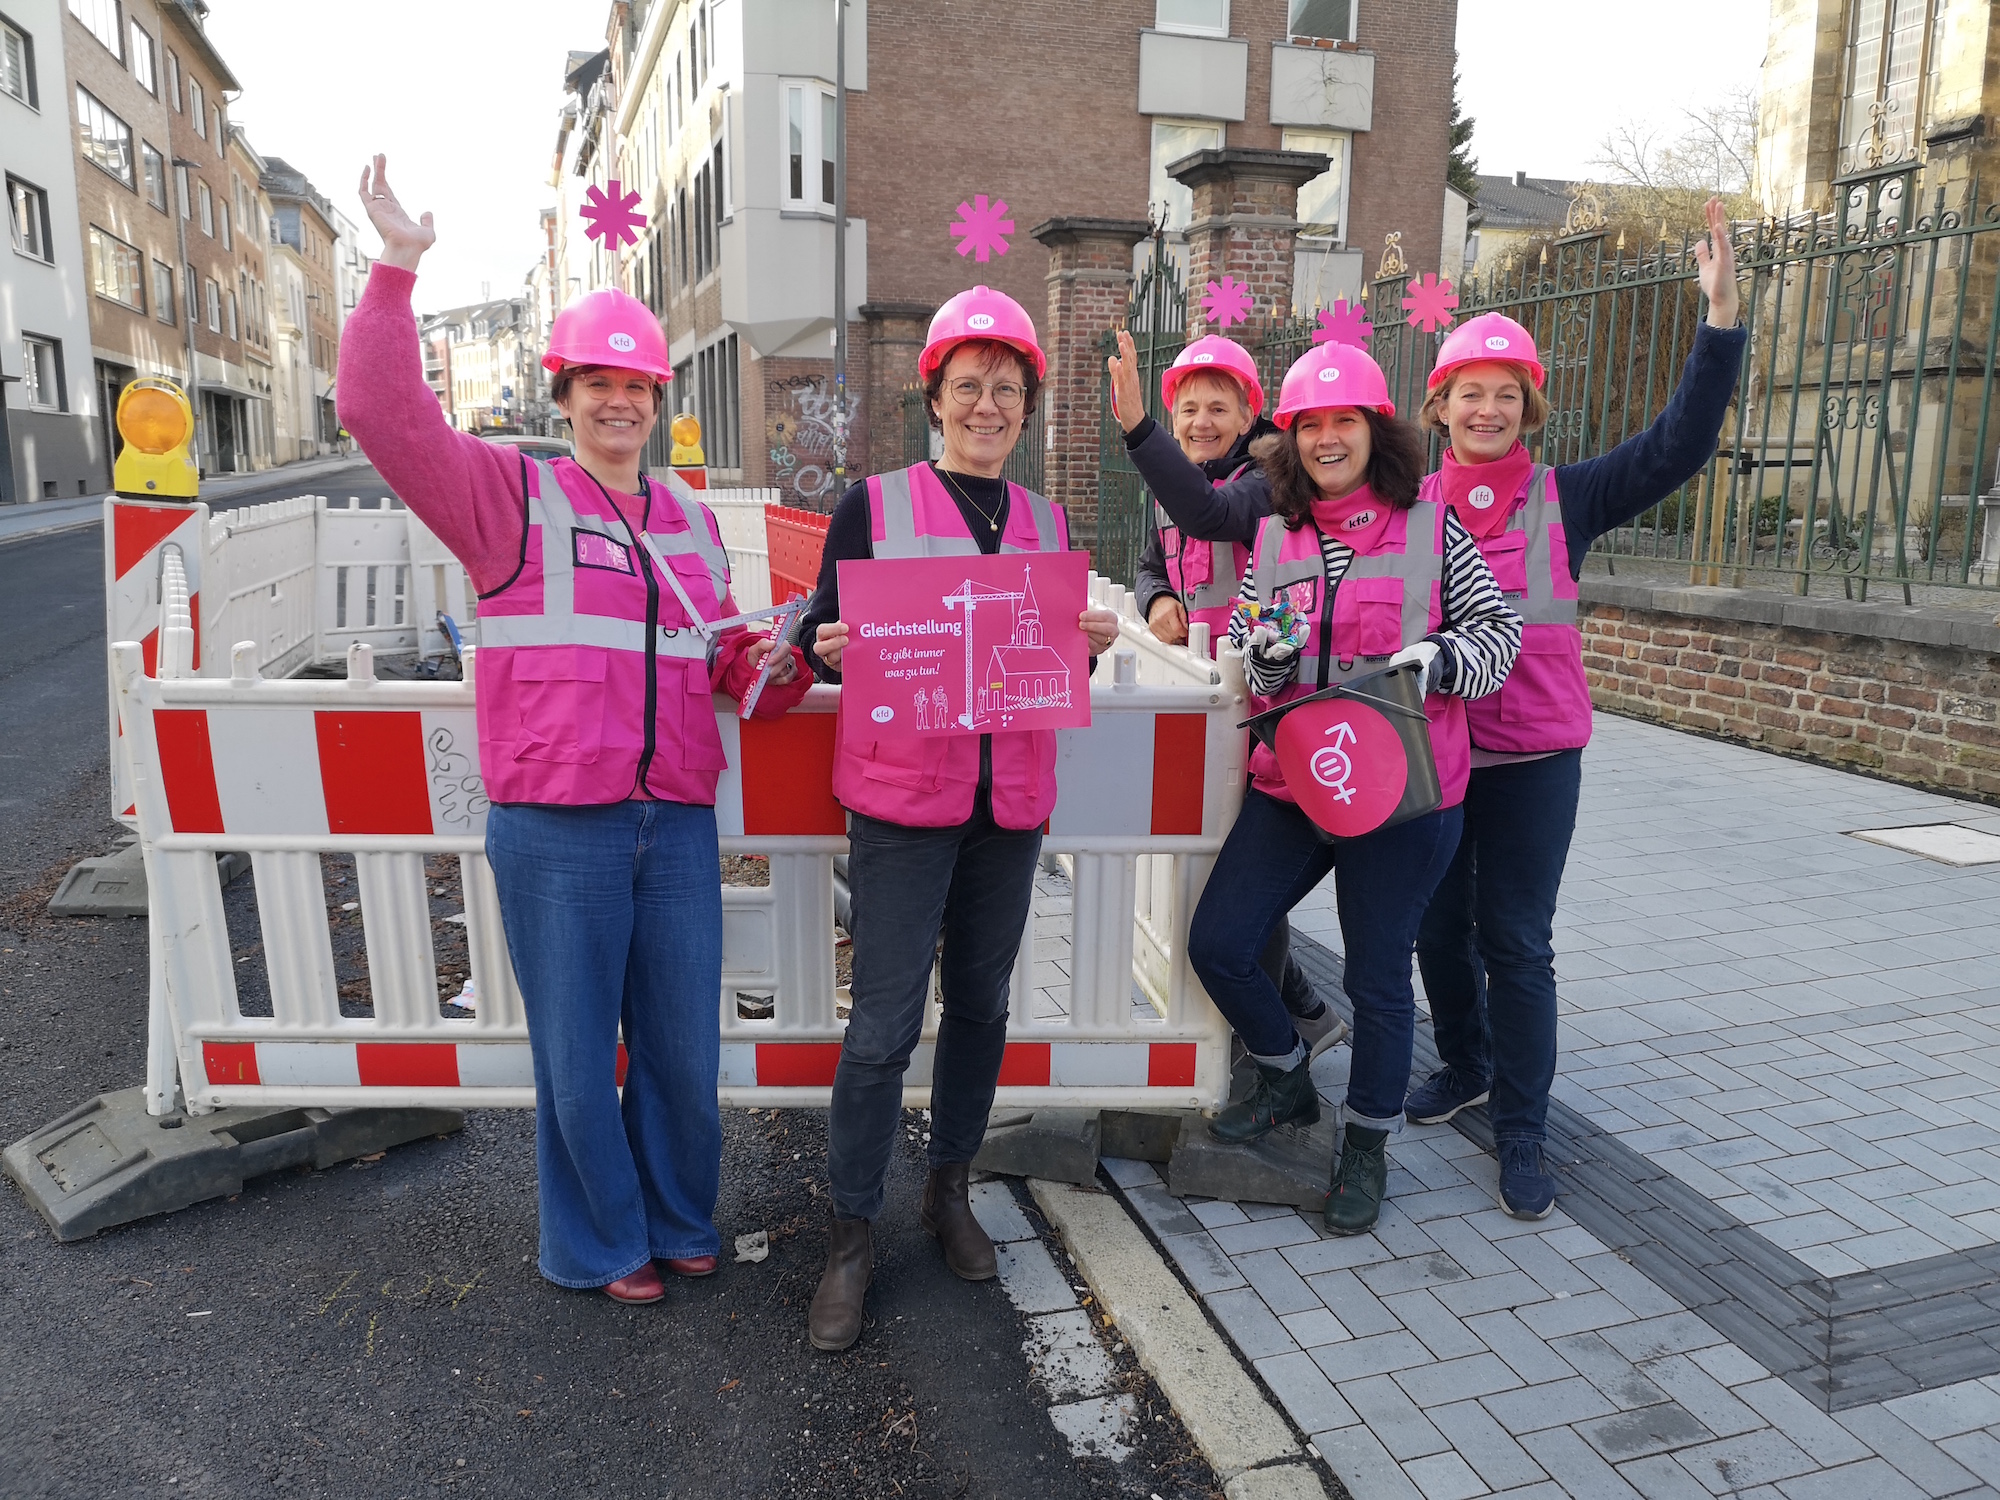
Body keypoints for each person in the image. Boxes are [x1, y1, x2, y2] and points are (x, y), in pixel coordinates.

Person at [339, 156, 809, 1305]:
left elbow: (726, 660)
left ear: (658, 402)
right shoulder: (510, 496)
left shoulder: (692, 520)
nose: (618, 402)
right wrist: (397, 270)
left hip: (675, 825)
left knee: (681, 1058)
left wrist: (789, 663)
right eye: (597, 383)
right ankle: (601, 1244)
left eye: (637, 386)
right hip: (558, 828)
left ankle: (679, 1216)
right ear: (563, 396)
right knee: (571, 1062)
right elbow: (380, 414)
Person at [1116, 340, 1520, 1235]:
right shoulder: (1274, 533)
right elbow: (1265, 654)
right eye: (1311, 425)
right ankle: (1289, 1080)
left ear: (1378, 431)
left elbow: (1501, 634)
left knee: (1380, 982)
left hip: (1403, 796)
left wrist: (1445, 657)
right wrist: (1266, 660)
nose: (1328, 438)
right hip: (1297, 781)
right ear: (1289, 437)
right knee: (1219, 941)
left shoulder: (1432, 525)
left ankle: (1367, 1149)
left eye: (1346, 421)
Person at [1406, 198, 1746, 1219]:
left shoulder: (1570, 495)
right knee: (1432, 927)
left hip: (1535, 758)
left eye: (1504, 395)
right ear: (1439, 406)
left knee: (1514, 939)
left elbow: (1677, 446)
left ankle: (1520, 1126)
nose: (1485, 411)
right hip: (1436, 752)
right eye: (1468, 393)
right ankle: (1462, 1062)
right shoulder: (1407, 510)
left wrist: (1718, 320)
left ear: (1527, 406)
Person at [797, 286, 1120, 1350]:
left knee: (979, 1003)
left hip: (1007, 804)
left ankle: (948, 1189)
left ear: (1026, 406)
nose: (988, 405)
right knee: (883, 1025)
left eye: (1007, 389)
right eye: (968, 387)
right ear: (932, 397)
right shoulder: (874, 506)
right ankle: (850, 1235)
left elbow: (1039, 659)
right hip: (902, 802)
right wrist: (825, 649)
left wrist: (1089, 645)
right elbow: (811, 637)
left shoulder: (1046, 524)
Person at [1124, 335, 1344, 1063]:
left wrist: (1139, 434)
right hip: (1201, 696)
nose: (1200, 422)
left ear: (1250, 414)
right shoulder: (1174, 478)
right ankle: (1303, 1008)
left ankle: (1265, 1031)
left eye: (1219, 407)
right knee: (1221, 858)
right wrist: (1156, 598)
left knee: (1241, 872)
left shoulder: (1266, 477)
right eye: (1187, 408)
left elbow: (1209, 518)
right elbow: (1155, 556)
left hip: (1260, 695)